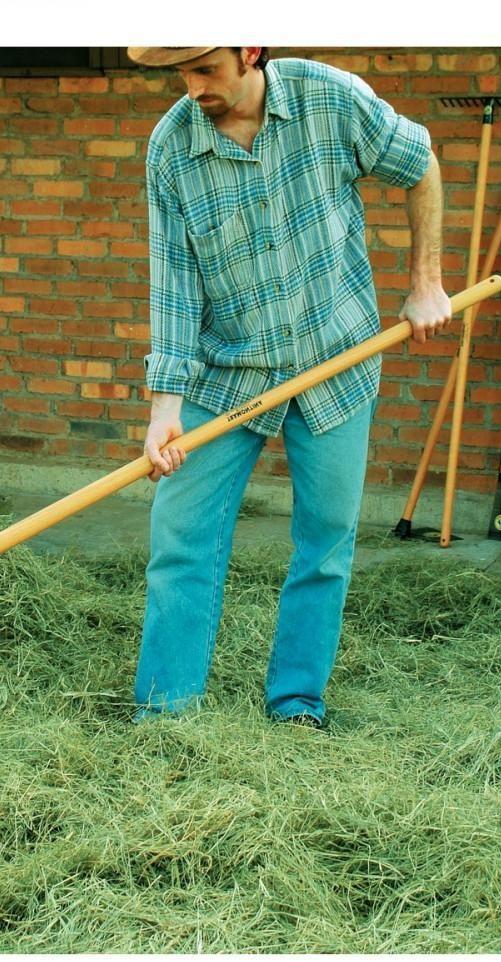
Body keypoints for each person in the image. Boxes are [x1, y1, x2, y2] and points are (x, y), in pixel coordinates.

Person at [127, 46, 451, 726]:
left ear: (249, 49)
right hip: (227, 373)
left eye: (206, 69)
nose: (193, 89)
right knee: (180, 536)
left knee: (326, 540)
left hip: (337, 358)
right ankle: (165, 714)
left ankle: (297, 701)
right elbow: (175, 289)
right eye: (180, 73)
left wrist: (425, 282)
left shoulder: (329, 99)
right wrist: (165, 409)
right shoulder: (171, 150)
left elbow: (418, 160)